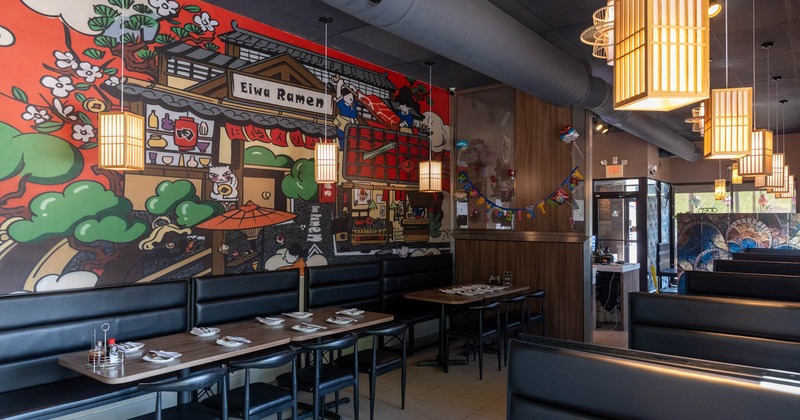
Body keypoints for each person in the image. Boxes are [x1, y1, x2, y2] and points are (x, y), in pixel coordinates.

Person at [333, 76, 358, 148]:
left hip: (353, 124)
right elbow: (338, 97)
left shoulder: (354, 104)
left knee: (352, 139)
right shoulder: (342, 105)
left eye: (351, 97)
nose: (350, 99)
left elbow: (356, 96)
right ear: (343, 98)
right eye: (347, 97)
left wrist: (353, 88)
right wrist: (338, 86)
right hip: (342, 124)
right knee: (342, 139)